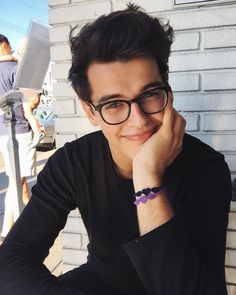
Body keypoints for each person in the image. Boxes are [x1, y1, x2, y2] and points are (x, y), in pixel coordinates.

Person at [0, 4, 232, 294]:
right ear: (91, 112)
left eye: (149, 94)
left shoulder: (205, 168)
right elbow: (12, 258)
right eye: (113, 104)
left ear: (168, 93)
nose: (138, 120)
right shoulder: (74, 161)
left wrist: (148, 176)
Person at [0, 34, 44, 241]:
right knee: (19, 181)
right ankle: (17, 231)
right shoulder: (16, 70)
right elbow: (30, 103)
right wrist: (36, 127)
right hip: (19, 130)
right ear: (4, 45)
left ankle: (10, 228)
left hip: (2, 131)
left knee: (17, 181)